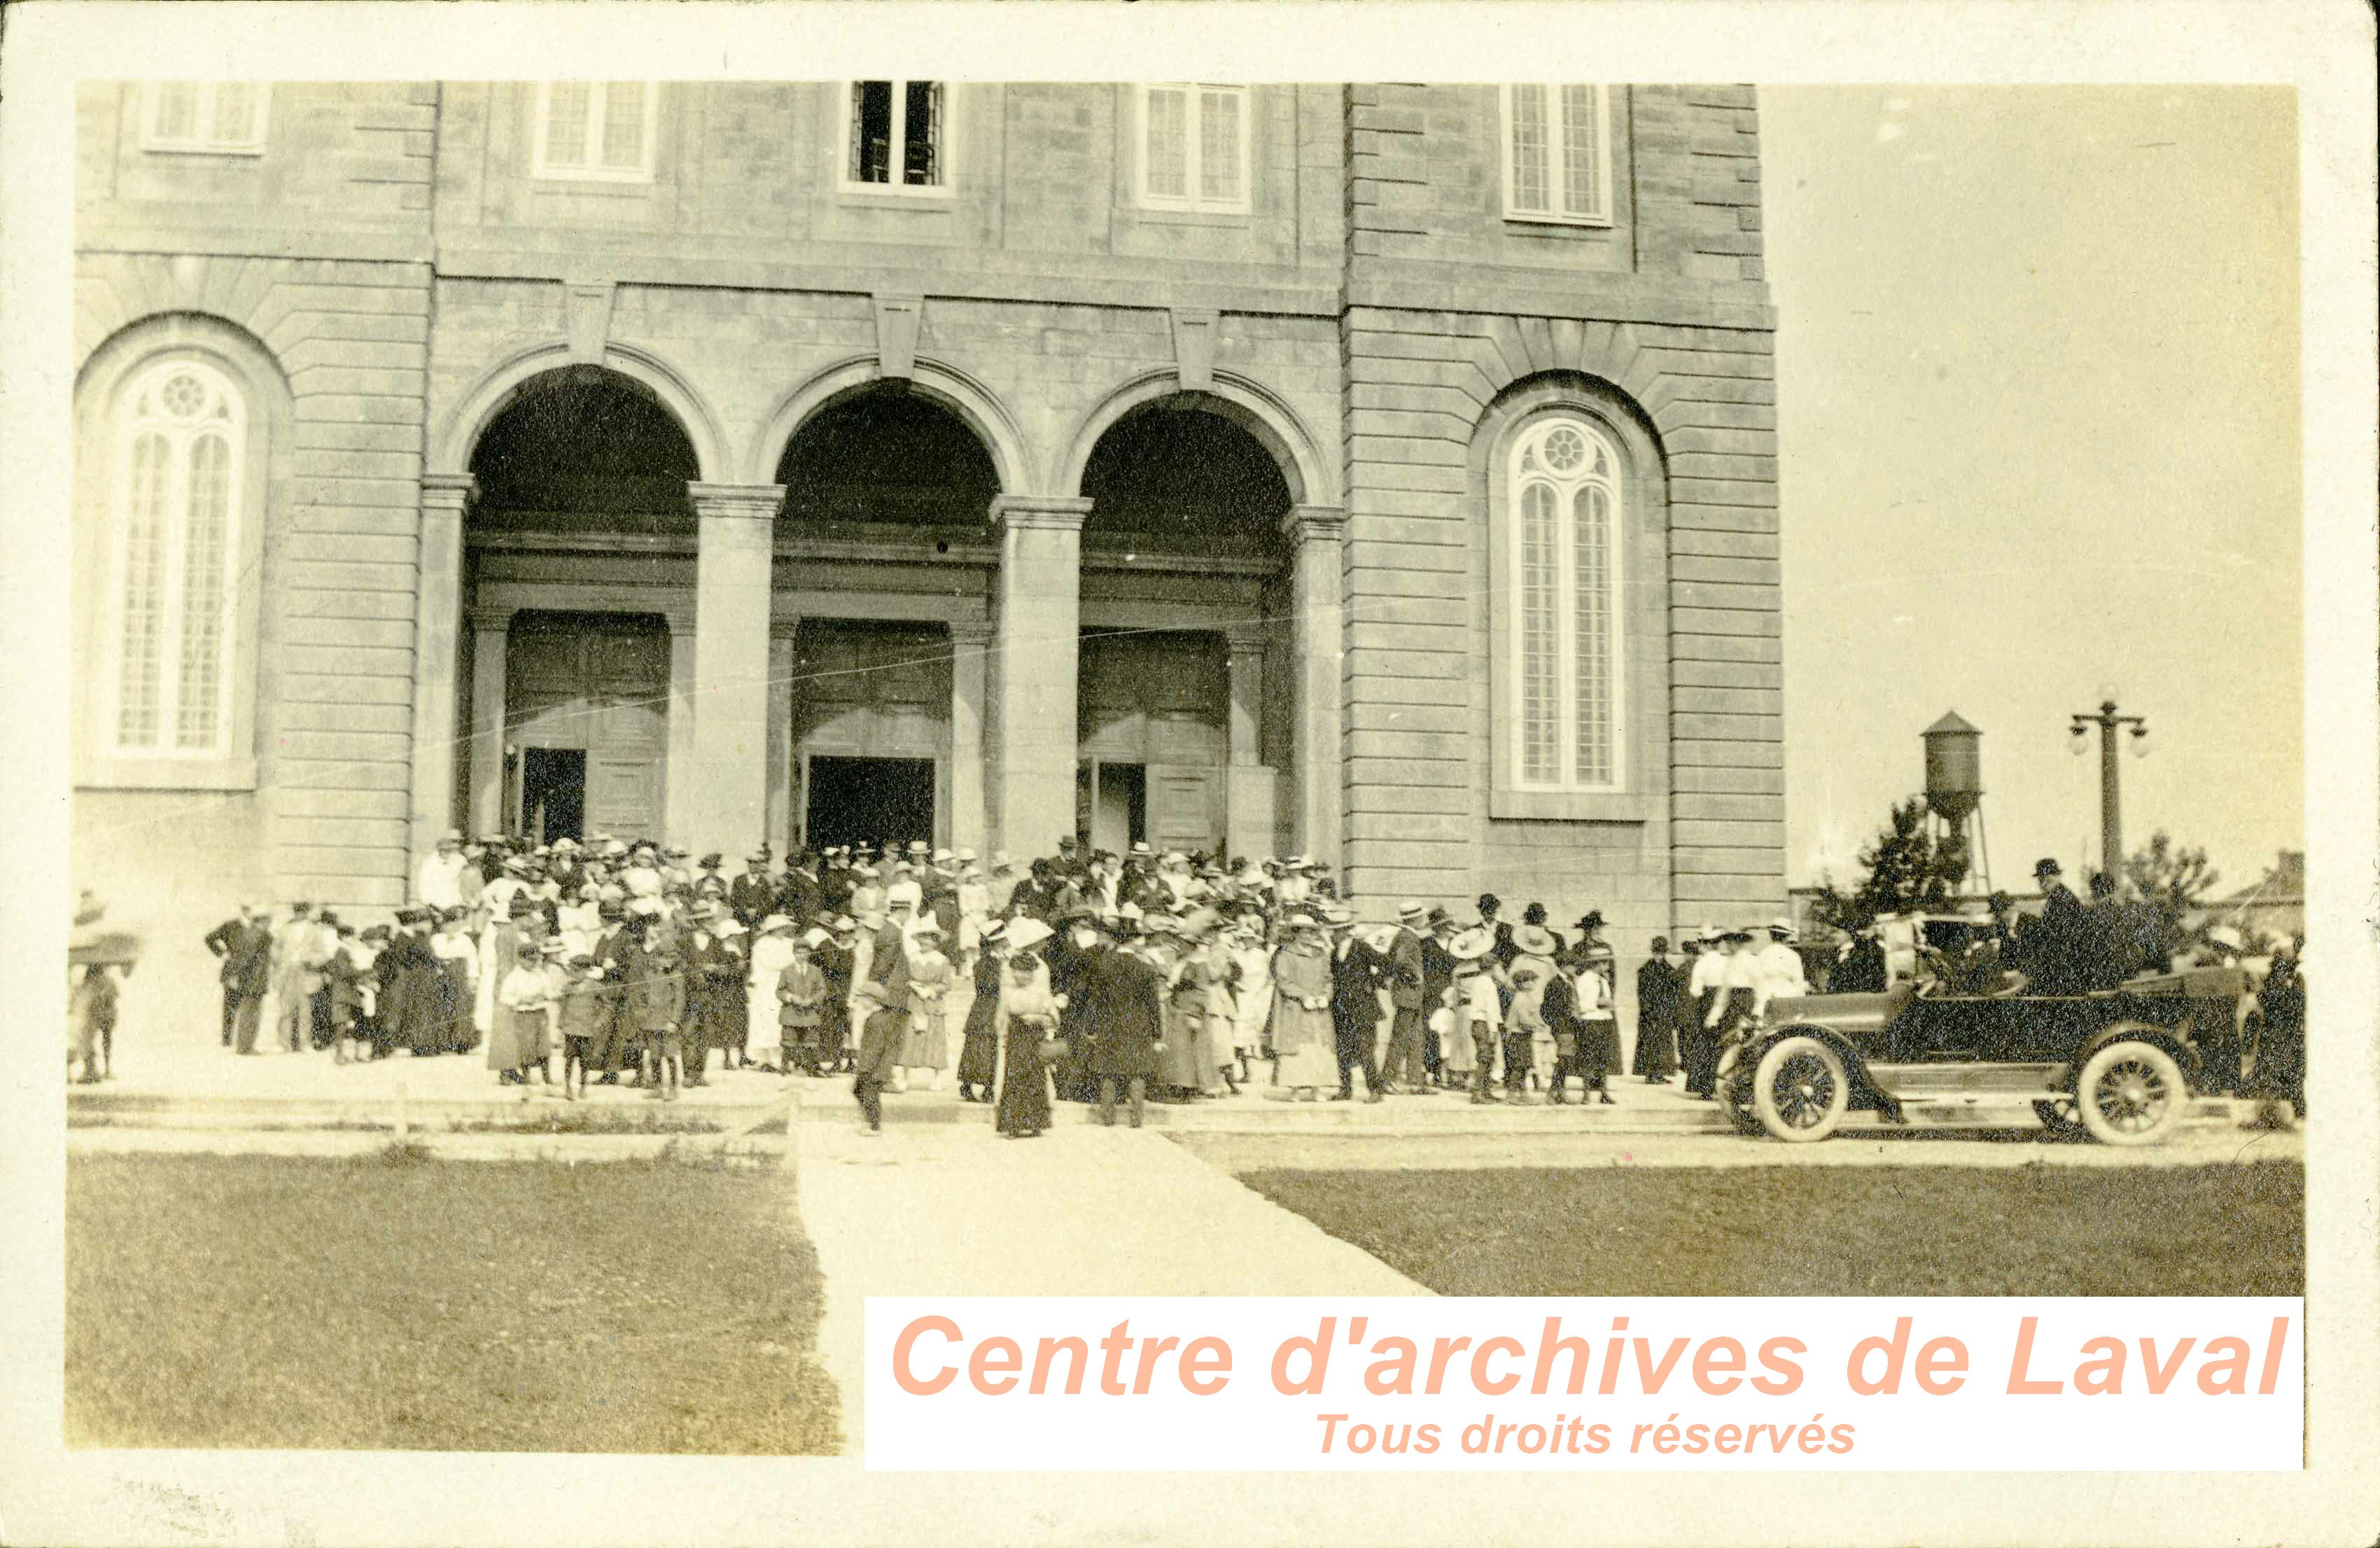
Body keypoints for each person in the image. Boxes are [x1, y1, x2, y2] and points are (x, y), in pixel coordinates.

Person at [1082, 910, 1166, 1128]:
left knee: (1108, 1071)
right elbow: (1153, 1005)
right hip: (1139, 1025)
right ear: (1135, 940)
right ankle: (1136, 1120)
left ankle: (1108, 1119)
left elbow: (1095, 1000)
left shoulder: (1103, 965)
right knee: (1137, 1072)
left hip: (1109, 1024)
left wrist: (1091, 1027)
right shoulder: (1146, 969)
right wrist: (1157, 1032)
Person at [993, 919, 1061, 1137]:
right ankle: (1025, 1120)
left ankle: (1026, 1121)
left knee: (1027, 1074)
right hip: (1020, 1022)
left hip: (1030, 1022)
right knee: (1027, 1074)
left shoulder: (1012, 963)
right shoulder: (1039, 966)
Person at [1326, 907, 1392, 1103]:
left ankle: (1375, 1090)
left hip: (1363, 1007)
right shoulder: (1333, 953)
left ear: (1346, 930)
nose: (1332, 934)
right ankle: (1346, 1089)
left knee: (1365, 1050)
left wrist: (1373, 983)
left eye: (1336, 930)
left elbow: (1387, 964)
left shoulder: (1361, 947)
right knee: (1343, 1050)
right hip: (1341, 1008)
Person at [1268, 913, 1336, 1101]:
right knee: (1295, 1048)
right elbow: (1283, 980)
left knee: (1317, 1047)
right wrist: (1302, 996)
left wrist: (1325, 996)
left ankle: (1317, 1088)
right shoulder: (1286, 954)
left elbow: (1328, 979)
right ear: (1296, 933)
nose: (1309, 936)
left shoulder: (1320, 954)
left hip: (1318, 1009)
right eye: (1305, 932)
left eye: (1312, 932)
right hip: (1296, 1008)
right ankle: (1295, 1089)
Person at [626, 915, 688, 1101]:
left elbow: (679, 1001)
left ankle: (674, 1088)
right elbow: (643, 994)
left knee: (669, 1055)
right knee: (654, 1056)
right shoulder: (649, 974)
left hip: (668, 1021)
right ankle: (657, 1086)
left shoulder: (676, 976)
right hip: (651, 1020)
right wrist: (642, 1013)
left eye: (670, 958)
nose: (666, 962)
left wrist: (674, 1021)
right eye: (662, 957)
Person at [203, 903, 274, 1054]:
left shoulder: (260, 932)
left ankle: (243, 1042)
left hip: (250, 975)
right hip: (235, 972)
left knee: (248, 1008)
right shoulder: (232, 926)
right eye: (248, 909)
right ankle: (228, 1040)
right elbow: (210, 938)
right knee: (232, 1006)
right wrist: (223, 954)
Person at [1380, 900, 1432, 1095]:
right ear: (1414, 918)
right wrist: (1415, 977)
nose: (1424, 920)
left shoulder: (1407, 935)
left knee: (1416, 1037)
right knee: (1401, 1038)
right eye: (1421, 917)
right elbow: (1401, 960)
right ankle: (1387, 1079)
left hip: (1411, 995)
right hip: (1408, 994)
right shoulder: (1407, 937)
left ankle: (1415, 1081)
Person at [1448, 926, 1502, 1103]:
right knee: (1482, 1050)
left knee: (1464, 1043)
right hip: (1483, 1012)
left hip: (1465, 1009)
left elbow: (1455, 994)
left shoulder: (1458, 969)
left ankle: (1463, 1077)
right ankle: (1478, 1085)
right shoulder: (1485, 974)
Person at [955, 920, 1007, 1101]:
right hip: (987, 1007)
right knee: (984, 1046)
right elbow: (989, 985)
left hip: (984, 1008)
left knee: (980, 1046)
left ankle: (973, 1085)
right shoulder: (989, 963)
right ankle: (983, 1087)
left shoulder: (990, 961)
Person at [849, 977, 907, 1136]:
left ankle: (874, 1125)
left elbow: (875, 1048)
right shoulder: (880, 1016)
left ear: (871, 999)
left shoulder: (877, 1021)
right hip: (873, 1065)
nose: (860, 1001)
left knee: (869, 1095)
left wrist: (865, 1068)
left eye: (862, 997)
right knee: (860, 1091)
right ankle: (869, 1120)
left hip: (873, 1066)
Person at [1682, 926, 1730, 1098]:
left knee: (1704, 1044)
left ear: (1707, 944)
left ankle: (1704, 1087)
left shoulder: (1701, 963)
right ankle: (1721, 1084)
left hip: (1706, 1002)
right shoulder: (1726, 962)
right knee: (1722, 1043)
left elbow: (1695, 991)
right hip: (1723, 1003)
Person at [556, 953, 607, 1101]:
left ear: (586, 971)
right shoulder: (569, 987)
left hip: (586, 1030)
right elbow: (563, 1006)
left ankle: (583, 1087)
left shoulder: (596, 987)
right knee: (569, 1059)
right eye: (572, 971)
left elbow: (608, 1006)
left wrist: (599, 1022)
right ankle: (568, 1088)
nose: (574, 975)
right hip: (571, 1028)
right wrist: (561, 1025)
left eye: (577, 971)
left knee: (585, 1060)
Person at [1633, 937, 1683, 1082]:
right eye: (1656, 951)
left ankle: (1660, 1073)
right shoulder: (1645, 970)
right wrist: (1648, 1011)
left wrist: (1671, 1012)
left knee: (1663, 1044)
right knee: (1650, 1044)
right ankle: (1650, 1074)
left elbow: (1674, 993)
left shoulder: (1670, 971)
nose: (1658, 955)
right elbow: (1642, 993)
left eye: (1661, 952)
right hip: (1649, 1014)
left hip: (1664, 1013)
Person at [417, 829, 470, 912]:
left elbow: (464, 883)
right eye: (453, 842)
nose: (456, 846)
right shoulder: (429, 863)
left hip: (454, 906)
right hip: (435, 907)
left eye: (458, 842)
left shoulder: (461, 861)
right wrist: (429, 904)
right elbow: (424, 886)